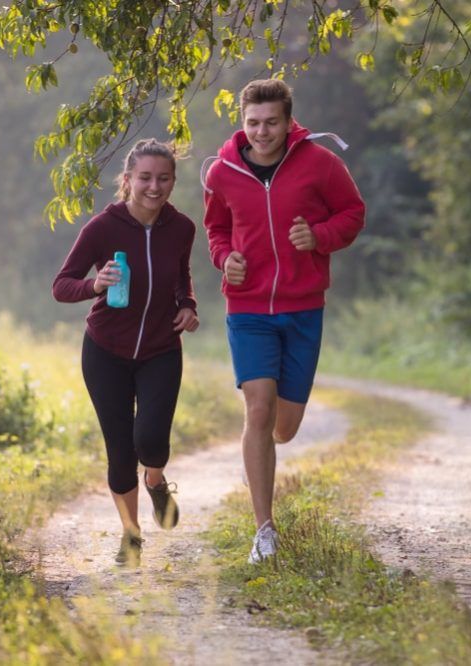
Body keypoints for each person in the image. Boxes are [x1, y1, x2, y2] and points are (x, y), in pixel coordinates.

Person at [201, 79, 365, 563]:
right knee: (258, 409)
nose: (262, 132)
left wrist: (318, 237)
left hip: (302, 306)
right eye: (253, 123)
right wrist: (224, 256)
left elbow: (353, 213)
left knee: (283, 427)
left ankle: (265, 450)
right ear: (242, 122)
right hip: (247, 306)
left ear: (289, 121)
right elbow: (216, 229)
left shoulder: (320, 163)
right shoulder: (223, 172)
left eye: (271, 122)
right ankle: (264, 531)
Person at [53, 138, 199, 565]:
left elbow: (181, 279)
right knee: (120, 451)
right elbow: (62, 285)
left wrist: (188, 306)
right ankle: (131, 536)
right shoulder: (103, 227)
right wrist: (95, 285)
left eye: (164, 178)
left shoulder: (183, 228)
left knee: (151, 440)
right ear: (129, 180)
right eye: (146, 178)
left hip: (160, 350)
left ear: (173, 180)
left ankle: (155, 480)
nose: (155, 187)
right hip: (105, 351)